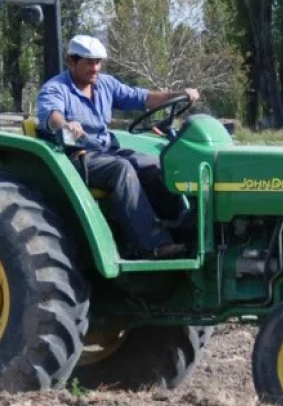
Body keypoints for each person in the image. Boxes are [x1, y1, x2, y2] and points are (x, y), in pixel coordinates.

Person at [36, 35, 199, 259]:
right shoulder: (56, 88)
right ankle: (152, 245)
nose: (95, 68)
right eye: (89, 62)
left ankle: (185, 235)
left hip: (107, 150)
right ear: (71, 61)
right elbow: (51, 116)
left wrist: (179, 94)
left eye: (98, 62)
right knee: (122, 169)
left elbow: (143, 98)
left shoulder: (106, 84)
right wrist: (66, 125)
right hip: (75, 156)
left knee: (156, 165)